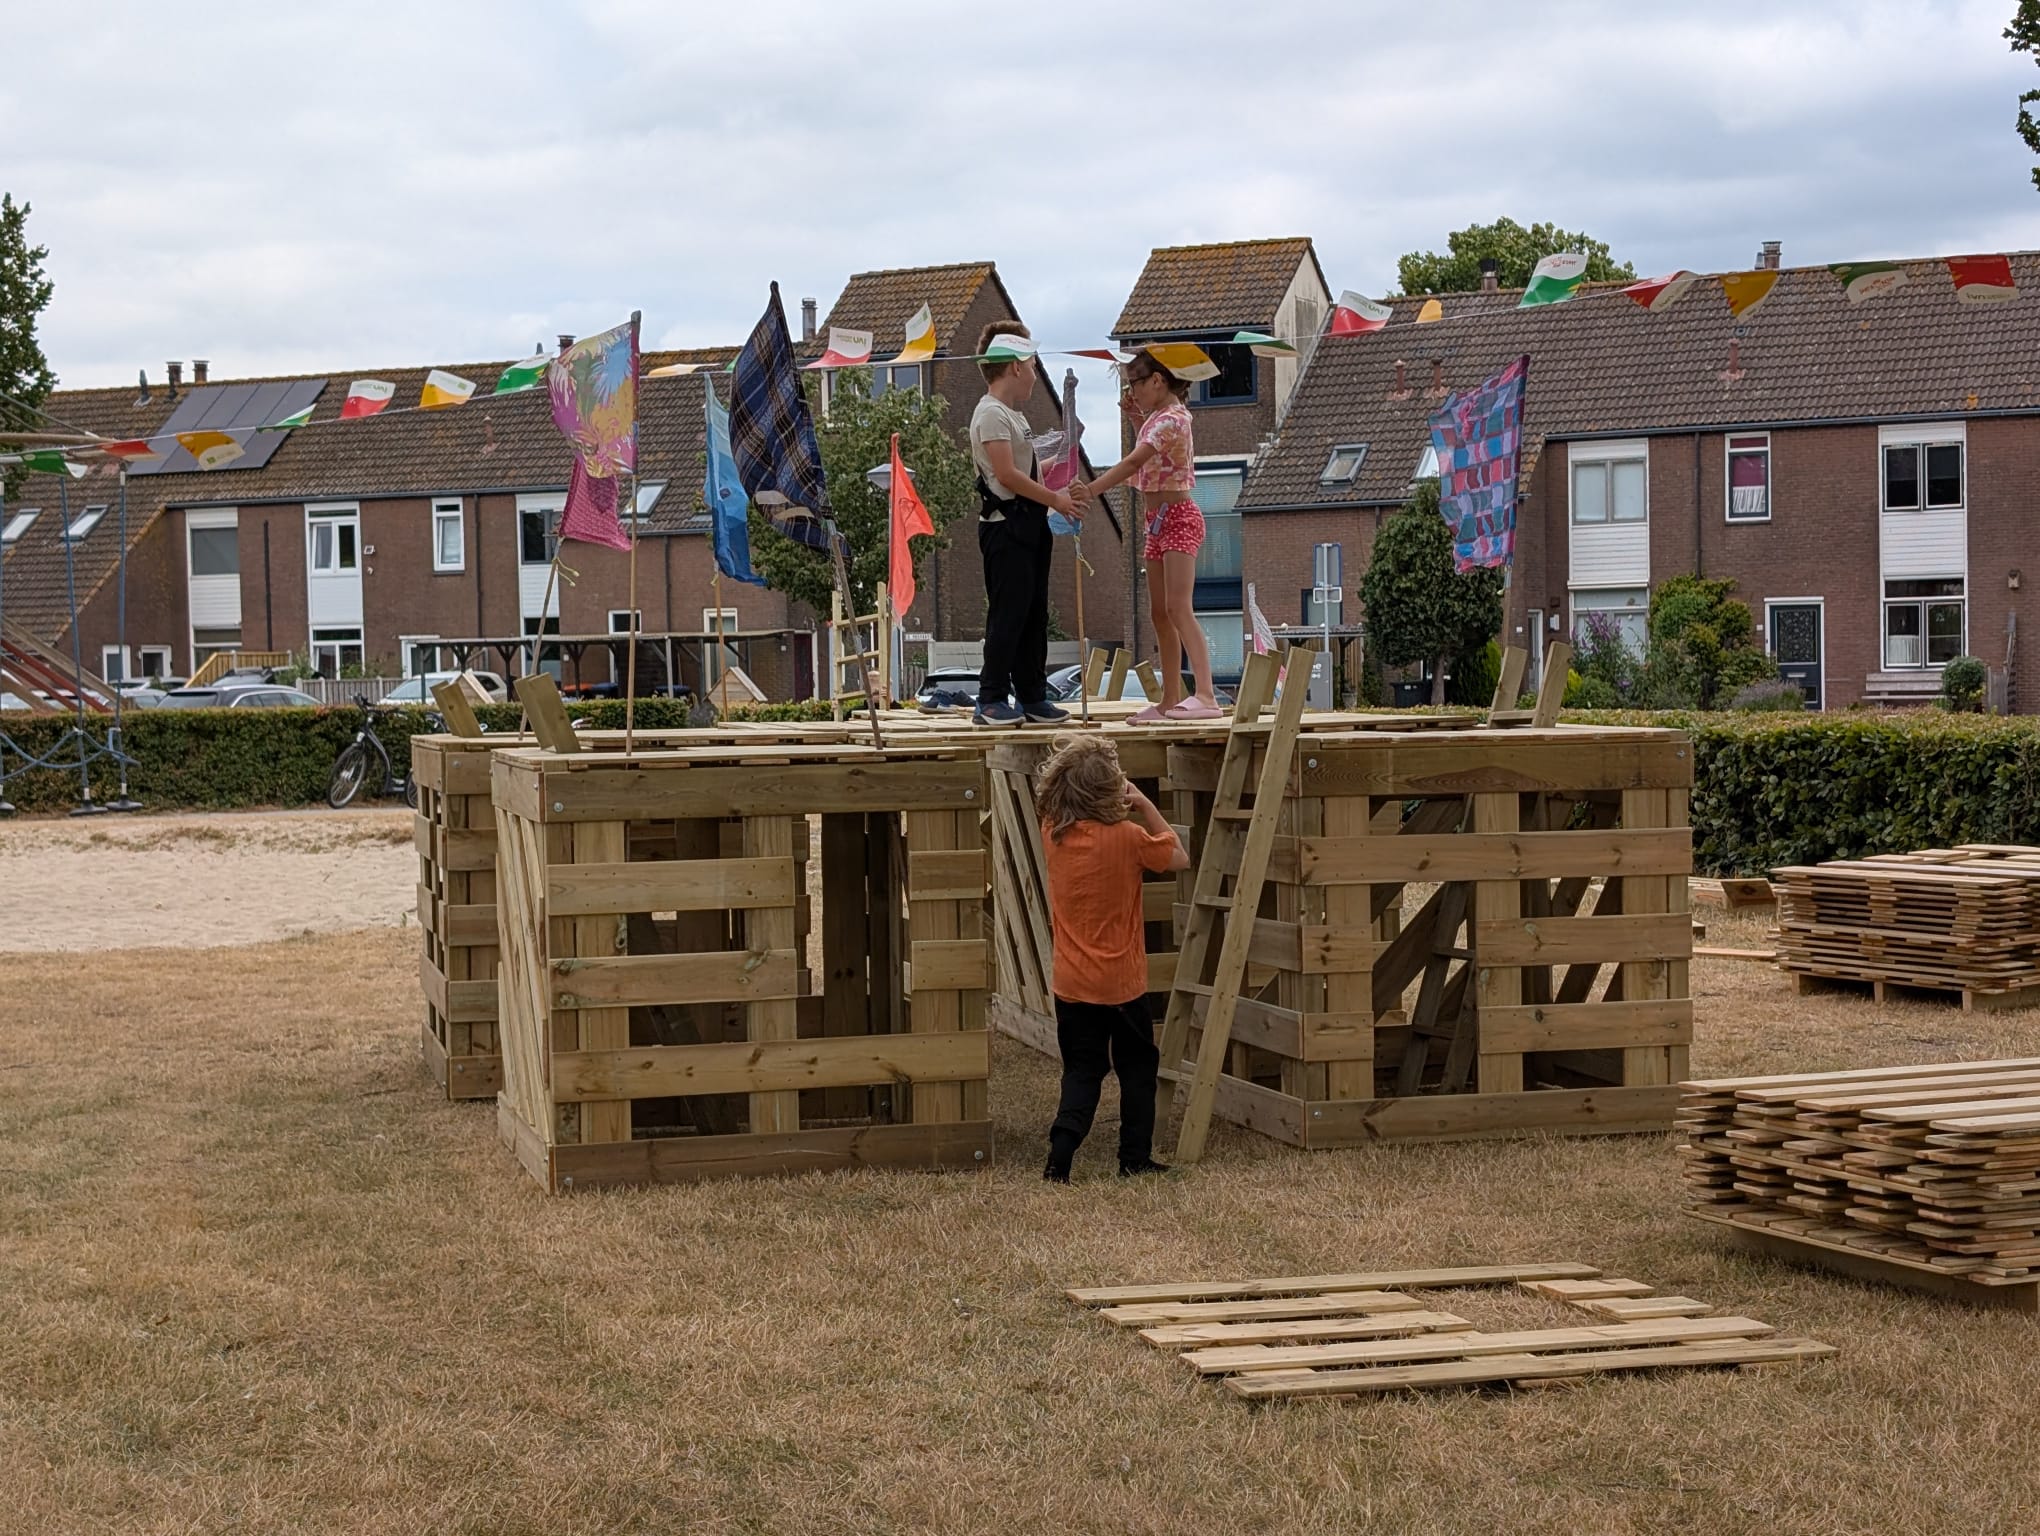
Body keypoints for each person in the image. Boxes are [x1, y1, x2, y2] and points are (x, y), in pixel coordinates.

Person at [1033, 734, 1191, 1181]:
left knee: (1082, 1071)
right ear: (1111, 790)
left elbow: (1059, 803)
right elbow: (1178, 857)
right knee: (1137, 1069)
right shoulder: (1128, 837)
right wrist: (1144, 804)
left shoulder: (1054, 833)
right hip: (1121, 982)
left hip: (1071, 982)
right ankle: (1133, 1158)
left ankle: (1060, 1156)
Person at [1078, 351, 1220, 721]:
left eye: (1135, 384)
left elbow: (1134, 462)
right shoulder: (1157, 418)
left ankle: (1206, 695)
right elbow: (1157, 456)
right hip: (1156, 521)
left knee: (1178, 608)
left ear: (1157, 381)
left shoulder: (1172, 418)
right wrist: (1135, 417)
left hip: (1178, 518)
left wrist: (1091, 490)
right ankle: (1170, 699)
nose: (1131, 392)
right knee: (1159, 613)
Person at [969, 321, 1076, 728]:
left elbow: (1025, 469)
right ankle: (991, 697)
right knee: (1009, 613)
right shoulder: (991, 414)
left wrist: (1060, 460)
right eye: (1032, 364)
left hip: (1029, 525)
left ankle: (1032, 694)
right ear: (1015, 366)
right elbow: (1006, 475)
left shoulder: (1014, 417)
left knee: (1034, 614)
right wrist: (1055, 500)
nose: (1034, 373)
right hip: (1006, 526)